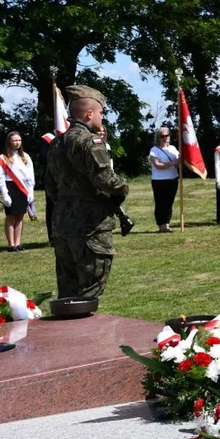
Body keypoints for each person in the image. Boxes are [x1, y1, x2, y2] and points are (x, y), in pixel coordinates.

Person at [44, 85, 129, 298]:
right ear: (89, 114)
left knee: (68, 289)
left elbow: (50, 186)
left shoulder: (56, 144)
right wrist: (123, 186)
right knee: (90, 290)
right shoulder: (91, 142)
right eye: (101, 112)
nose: (102, 117)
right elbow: (107, 181)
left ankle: (66, 331)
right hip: (90, 225)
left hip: (62, 223)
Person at [0, 131, 35, 252]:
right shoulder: (2, 158)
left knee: (20, 216)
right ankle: (11, 244)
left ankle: (18, 243)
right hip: (9, 187)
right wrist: (5, 193)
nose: (17, 143)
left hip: (23, 188)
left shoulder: (25, 156)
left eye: (19, 140)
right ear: (9, 142)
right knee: (11, 216)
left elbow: (30, 175)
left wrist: (31, 191)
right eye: (14, 140)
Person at [147, 126, 180, 233]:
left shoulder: (173, 149)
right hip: (159, 180)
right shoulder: (154, 150)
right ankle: (161, 225)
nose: (165, 138)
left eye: (167, 135)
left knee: (169, 203)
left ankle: (167, 224)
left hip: (173, 178)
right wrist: (172, 163)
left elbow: (179, 161)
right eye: (162, 136)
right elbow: (157, 165)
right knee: (161, 203)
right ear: (158, 137)